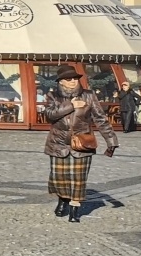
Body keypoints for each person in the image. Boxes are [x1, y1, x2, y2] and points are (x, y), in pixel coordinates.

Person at [43, 64, 117, 223]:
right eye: (68, 79)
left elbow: (100, 119)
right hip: (58, 143)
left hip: (82, 143)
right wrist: (71, 105)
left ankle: (75, 210)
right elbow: (49, 115)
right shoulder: (52, 96)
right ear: (61, 81)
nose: (72, 81)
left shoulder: (88, 95)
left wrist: (111, 141)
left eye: (75, 78)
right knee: (59, 178)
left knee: (78, 179)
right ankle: (63, 200)